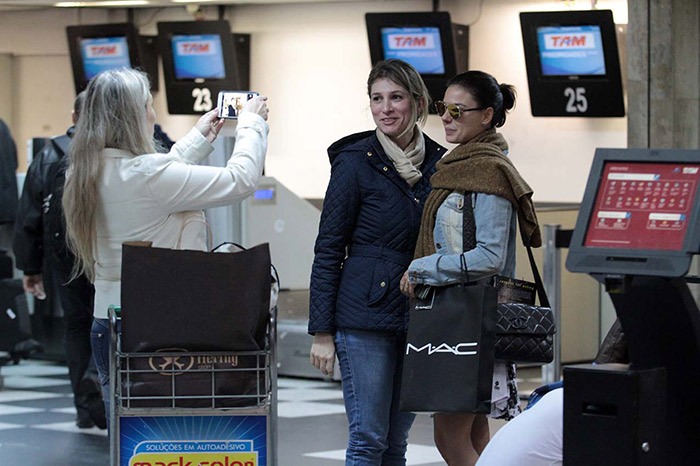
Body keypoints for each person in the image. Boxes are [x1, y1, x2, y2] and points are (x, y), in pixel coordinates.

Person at [61, 68, 269, 424]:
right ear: (133, 116)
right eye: (148, 105)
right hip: (162, 326)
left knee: (128, 439)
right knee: (172, 435)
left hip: (107, 322)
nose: (153, 114)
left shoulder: (83, 173)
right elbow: (241, 180)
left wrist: (199, 137)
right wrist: (251, 126)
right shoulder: (147, 176)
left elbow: (155, 182)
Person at [308, 59, 447, 465]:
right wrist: (322, 332)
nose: (385, 108)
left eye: (396, 97)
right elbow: (329, 248)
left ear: (417, 103)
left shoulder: (440, 163)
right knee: (368, 439)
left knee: (396, 443)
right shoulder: (354, 161)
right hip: (362, 317)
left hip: (419, 313)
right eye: (376, 98)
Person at [401, 70, 541, 466]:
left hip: (469, 321)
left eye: (458, 110)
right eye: (443, 108)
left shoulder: (489, 172)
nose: (446, 117)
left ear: (487, 116)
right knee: (476, 432)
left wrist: (422, 268)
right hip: (459, 317)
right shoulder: (458, 167)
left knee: (449, 436)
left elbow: (489, 258)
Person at [13, 91, 106, 429]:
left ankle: (84, 407)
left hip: (65, 255)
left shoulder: (50, 153)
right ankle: (107, 398)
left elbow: (31, 216)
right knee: (113, 322)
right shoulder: (114, 152)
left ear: (73, 116)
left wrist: (31, 267)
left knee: (77, 325)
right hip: (108, 251)